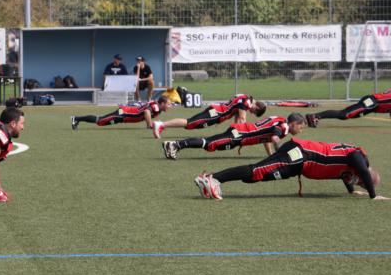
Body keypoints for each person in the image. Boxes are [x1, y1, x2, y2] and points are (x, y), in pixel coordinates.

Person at [194, 138, 389, 201]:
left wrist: (352, 190)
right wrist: (373, 195)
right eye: (363, 183)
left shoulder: (354, 169)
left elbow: (345, 175)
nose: (359, 183)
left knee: (257, 176)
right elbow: (360, 167)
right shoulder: (359, 157)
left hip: (300, 164)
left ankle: (209, 179)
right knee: (257, 170)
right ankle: (214, 179)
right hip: (300, 154)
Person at [163, 113, 306, 160]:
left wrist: (270, 155)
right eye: (300, 127)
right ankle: (175, 145)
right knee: (209, 143)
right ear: (294, 124)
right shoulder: (284, 127)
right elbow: (274, 138)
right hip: (239, 135)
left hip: (240, 134)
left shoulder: (279, 119)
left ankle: (175, 146)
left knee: (210, 144)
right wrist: (281, 153)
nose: (300, 130)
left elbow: (267, 137)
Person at [151, 93, 266, 138]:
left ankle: (161, 125)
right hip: (215, 113)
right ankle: (161, 124)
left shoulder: (244, 96)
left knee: (190, 123)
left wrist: (235, 132)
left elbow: (237, 117)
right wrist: (242, 135)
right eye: (254, 112)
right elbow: (242, 119)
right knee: (189, 122)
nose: (251, 112)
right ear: (257, 107)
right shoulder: (247, 102)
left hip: (215, 112)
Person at [71, 97, 170, 130]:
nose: (169, 106)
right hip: (123, 114)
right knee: (99, 120)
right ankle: (76, 119)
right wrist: (149, 125)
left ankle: (77, 119)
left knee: (100, 122)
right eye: (168, 104)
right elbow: (147, 111)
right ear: (162, 103)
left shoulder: (157, 107)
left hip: (123, 117)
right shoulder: (156, 107)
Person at [305, 90, 391, 127]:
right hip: (372, 101)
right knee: (345, 114)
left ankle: (315, 117)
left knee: (345, 116)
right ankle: (315, 116)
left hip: (373, 105)